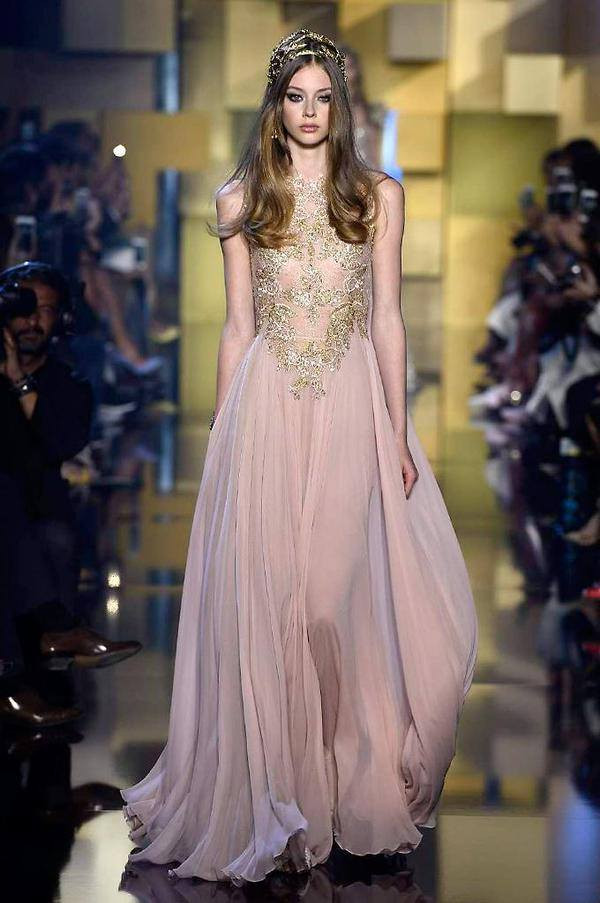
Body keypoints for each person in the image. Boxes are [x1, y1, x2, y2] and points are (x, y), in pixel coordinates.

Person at [121, 30, 478, 886]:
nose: (311, 112)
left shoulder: (377, 196)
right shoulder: (241, 198)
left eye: (324, 98)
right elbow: (237, 327)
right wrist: (220, 434)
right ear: (276, 104)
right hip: (267, 410)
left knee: (326, 602)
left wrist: (396, 429)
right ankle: (287, 799)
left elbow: (386, 319)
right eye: (296, 96)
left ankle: (347, 778)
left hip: (350, 406)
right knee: (272, 605)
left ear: (339, 106)